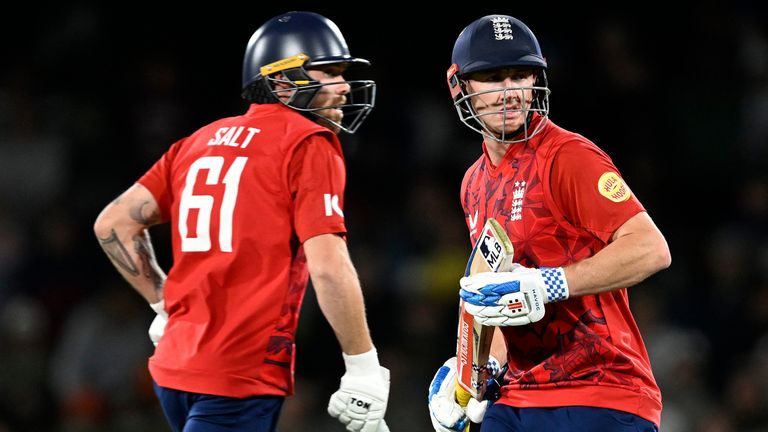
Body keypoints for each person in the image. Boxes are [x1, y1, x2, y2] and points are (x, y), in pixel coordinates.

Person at [94, 11, 390, 432]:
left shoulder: (197, 141)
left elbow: (112, 225)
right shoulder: (308, 141)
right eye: (330, 72)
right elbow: (328, 265)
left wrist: (164, 305)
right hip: (238, 371)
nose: (344, 87)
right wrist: (363, 366)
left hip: (175, 366)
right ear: (283, 80)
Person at [427, 14, 671, 432]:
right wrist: (477, 371)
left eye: (520, 75)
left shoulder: (568, 156)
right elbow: (498, 299)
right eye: (491, 77)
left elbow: (651, 249)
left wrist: (549, 283)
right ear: (459, 86)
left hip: (600, 388)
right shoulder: (473, 183)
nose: (509, 91)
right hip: (519, 395)